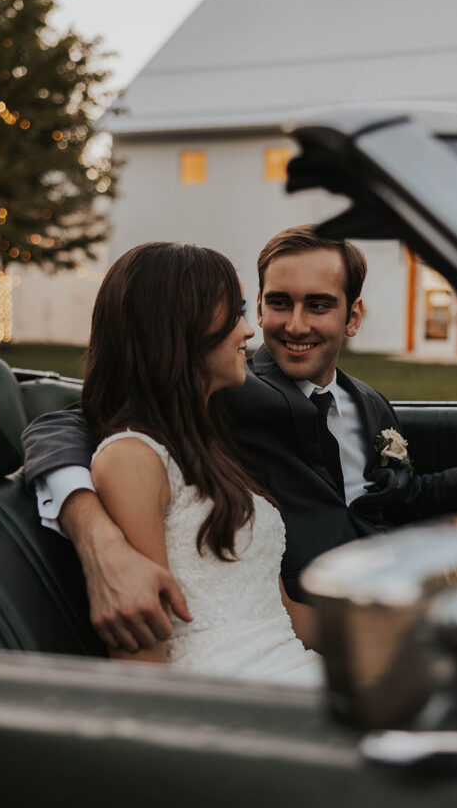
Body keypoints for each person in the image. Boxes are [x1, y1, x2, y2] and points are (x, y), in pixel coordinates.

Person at [21, 228, 457, 711]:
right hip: (260, 683)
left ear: (352, 316)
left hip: (358, 615)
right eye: (261, 306)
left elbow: (385, 509)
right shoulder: (225, 402)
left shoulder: (355, 403)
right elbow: (71, 419)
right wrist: (94, 531)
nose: (270, 328)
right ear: (181, 333)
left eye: (317, 305)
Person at [72, 240, 321, 686]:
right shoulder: (133, 459)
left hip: (294, 671)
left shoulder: (216, 445)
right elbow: (141, 655)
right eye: (235, 313)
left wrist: (395, 625)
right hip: (225, 698)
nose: (249, 331)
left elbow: (281, 613)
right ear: (178, 326)